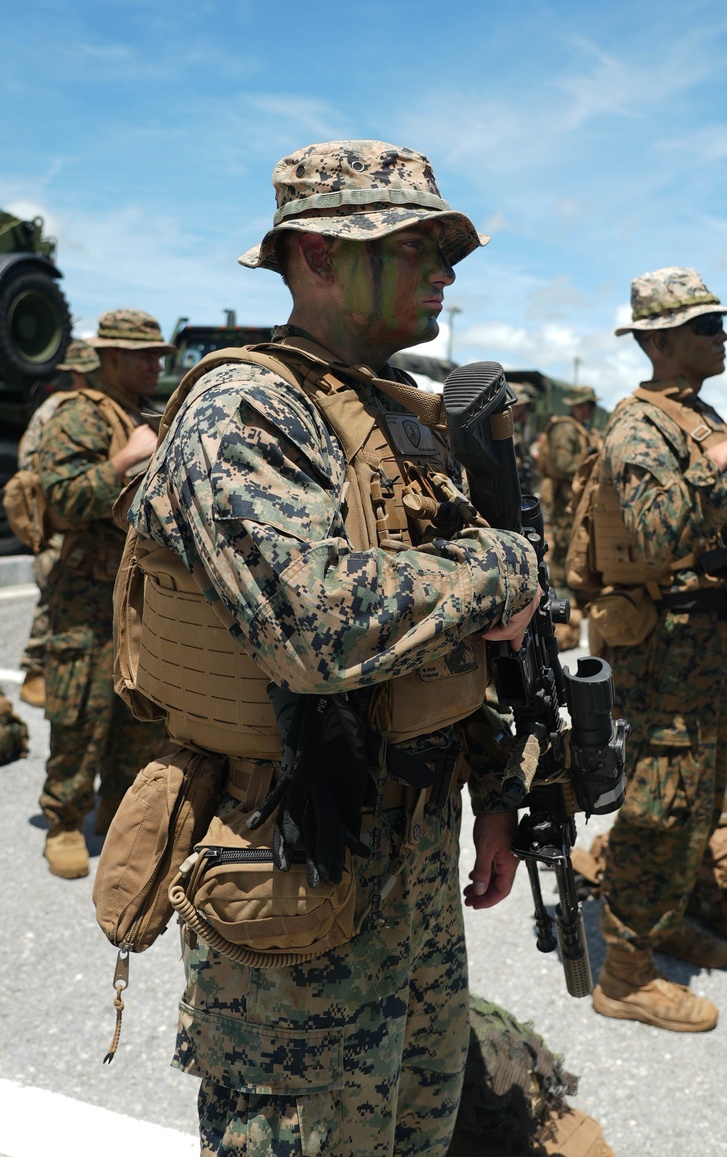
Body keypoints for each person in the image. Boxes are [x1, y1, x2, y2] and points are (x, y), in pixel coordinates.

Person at [125, 140, 540, 1155]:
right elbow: (315, 626)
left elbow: (456, 651)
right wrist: (506, 566)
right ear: (315, 255)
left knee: (414, 1124)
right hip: (292, 856)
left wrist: (495, 794)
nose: (446, 270)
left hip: (414, 847)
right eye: (417, 245)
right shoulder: (245, 409)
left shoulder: (393, 414)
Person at [589, 267, 727, 1033]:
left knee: (696, 798)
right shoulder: (639, 425)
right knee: (656, 808)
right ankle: (625, 972)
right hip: (663, 655)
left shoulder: (694, 416)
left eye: (720, 324)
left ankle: (660, 923)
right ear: (661, 342)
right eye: (707, 327)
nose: (722, 337)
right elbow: (657, 533)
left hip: (705, 648)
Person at [35, 313, 171, 878]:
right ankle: (65, 818)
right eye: (143, 355)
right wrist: (124, 460)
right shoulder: (80, 414)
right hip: (86, 596)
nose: (155, 365)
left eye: (158, 355)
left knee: (137, 710)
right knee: (79, 711)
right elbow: (61, 497)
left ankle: (119, 813)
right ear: (110, 357)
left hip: (139, 590)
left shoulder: (142, 414)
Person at [17, 340, 103, 708]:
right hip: (61, 524)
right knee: (52, 600)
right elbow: (29, 466)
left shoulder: (99, 409)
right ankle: (35, 673)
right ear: (79, 371)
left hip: (81, 526)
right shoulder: (57, 410)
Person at [538, 386, 599, 589]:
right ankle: (560, 590)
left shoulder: (583, 428)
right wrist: (589, 465)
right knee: (564, 543)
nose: (592, 410)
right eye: (589, 406)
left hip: (577, 495)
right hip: (565, 496)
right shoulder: (565, 428)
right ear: (579, 406)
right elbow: (562, 464)